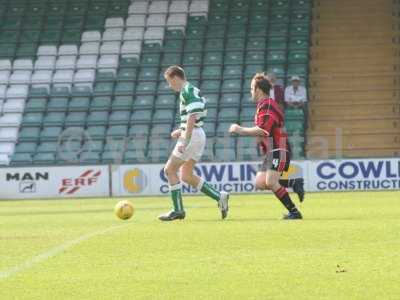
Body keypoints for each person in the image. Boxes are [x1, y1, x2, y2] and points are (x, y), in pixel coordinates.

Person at [159, 65, 229, 221]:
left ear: (176, 78)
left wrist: (185, 138)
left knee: (169, 170)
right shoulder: (192, 90)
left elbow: (192, 117)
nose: (170, 86)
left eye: (170, 82)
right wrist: (181, 130)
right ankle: (219, 197)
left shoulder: (187, 91)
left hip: (192, 136)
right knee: (186, 175)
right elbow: (194, 117)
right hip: (198, 134)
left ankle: (178, 210)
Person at [229, 73, 303, 219]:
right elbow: (264, 130)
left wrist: (239, 129)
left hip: (278, 147)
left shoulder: (267, 105)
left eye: (252, 88)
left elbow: (263, 130)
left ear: (258, 90)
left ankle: (294, 212)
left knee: (271, 181)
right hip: (272, 149)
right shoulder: (263, 105)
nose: (250, 91)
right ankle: (293, 182)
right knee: (260, 183)